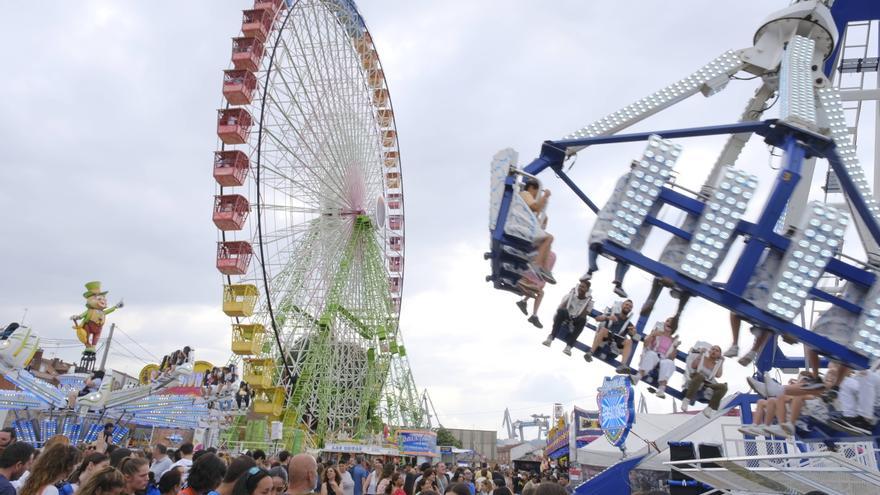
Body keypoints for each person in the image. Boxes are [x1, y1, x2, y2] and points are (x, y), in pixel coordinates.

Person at [584, 160, 646, 298]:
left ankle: (618, 282)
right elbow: (617, 198)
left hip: (629, 225)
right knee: (597, 240)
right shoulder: (626, 179)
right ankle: (591, 268)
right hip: (613, 219)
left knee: (629, 254)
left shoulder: (644, 187)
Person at [542, 279, 593, 355]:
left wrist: (587, 301)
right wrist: (570, 296)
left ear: (587, 290)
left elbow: (584, 315)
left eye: (583, 287)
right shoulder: (570, 295)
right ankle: (551, 337)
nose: (580, 288)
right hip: (565, 317)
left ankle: (569, 346)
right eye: (580, 286)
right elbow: (560, 308)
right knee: (562, 311)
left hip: (575, 320)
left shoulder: (590, 302)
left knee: (583, 320)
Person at [584, 300, 637, 373]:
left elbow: (634, 334)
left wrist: (633, 332)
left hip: (616, 346)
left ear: (631, 309)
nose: (628, 307)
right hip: (605, 340)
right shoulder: (613, 314)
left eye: (630, 306)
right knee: (603, 330)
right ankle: (590, 352)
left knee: (629, 341)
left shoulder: (629, 324)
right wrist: (608, 318)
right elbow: (597, 318)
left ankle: (623, 365)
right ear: (622, 305)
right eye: (626, 305)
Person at [519, 178, 556, 285]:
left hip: (527, 228)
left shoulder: (526, 201)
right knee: (549, 238)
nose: (537, 196)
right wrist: (545, 196)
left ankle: (543, 269)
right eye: (537, 192)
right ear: (531, 187)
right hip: (523, 228)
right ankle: (537, 266)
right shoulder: (525, 194)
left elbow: (541, 225)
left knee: (548, 243)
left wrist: (543, 218)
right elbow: (535, 207)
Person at [631, 318, 679, 398]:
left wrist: (675, 347)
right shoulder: (657, 333)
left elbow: (671, 358)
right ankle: (637, 377)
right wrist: (653, 334)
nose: (669, 323)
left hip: (664, 359)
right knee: (652, 354)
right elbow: (646, 345)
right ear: (664, 323)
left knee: (669, 363)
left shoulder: (674, 340)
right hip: (654, 355)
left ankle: (661, 389)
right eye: (667, 321)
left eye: (672, 322)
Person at [682, 345, 727, 416]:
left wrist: (721, 362)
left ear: (719, 354)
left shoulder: (716, 365)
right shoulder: (703, 357)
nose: (714, 351)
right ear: (709, 351)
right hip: (697, 377)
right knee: (700, 377)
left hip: (707, 382)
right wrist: (700, 354)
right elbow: (693, 366)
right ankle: (686, 400)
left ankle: (709, 408)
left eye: (717, 350)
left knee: (723, 387)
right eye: (713, 349)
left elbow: (718, 375)